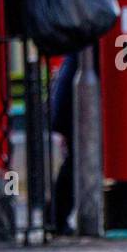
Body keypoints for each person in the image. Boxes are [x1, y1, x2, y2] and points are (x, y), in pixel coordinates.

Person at [50, 52, 77, 235]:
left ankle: (55, 217)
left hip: (68, 112)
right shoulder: (84, 50)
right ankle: (55, 217)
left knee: (73, 165)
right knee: (74, 166)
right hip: (74, 113)